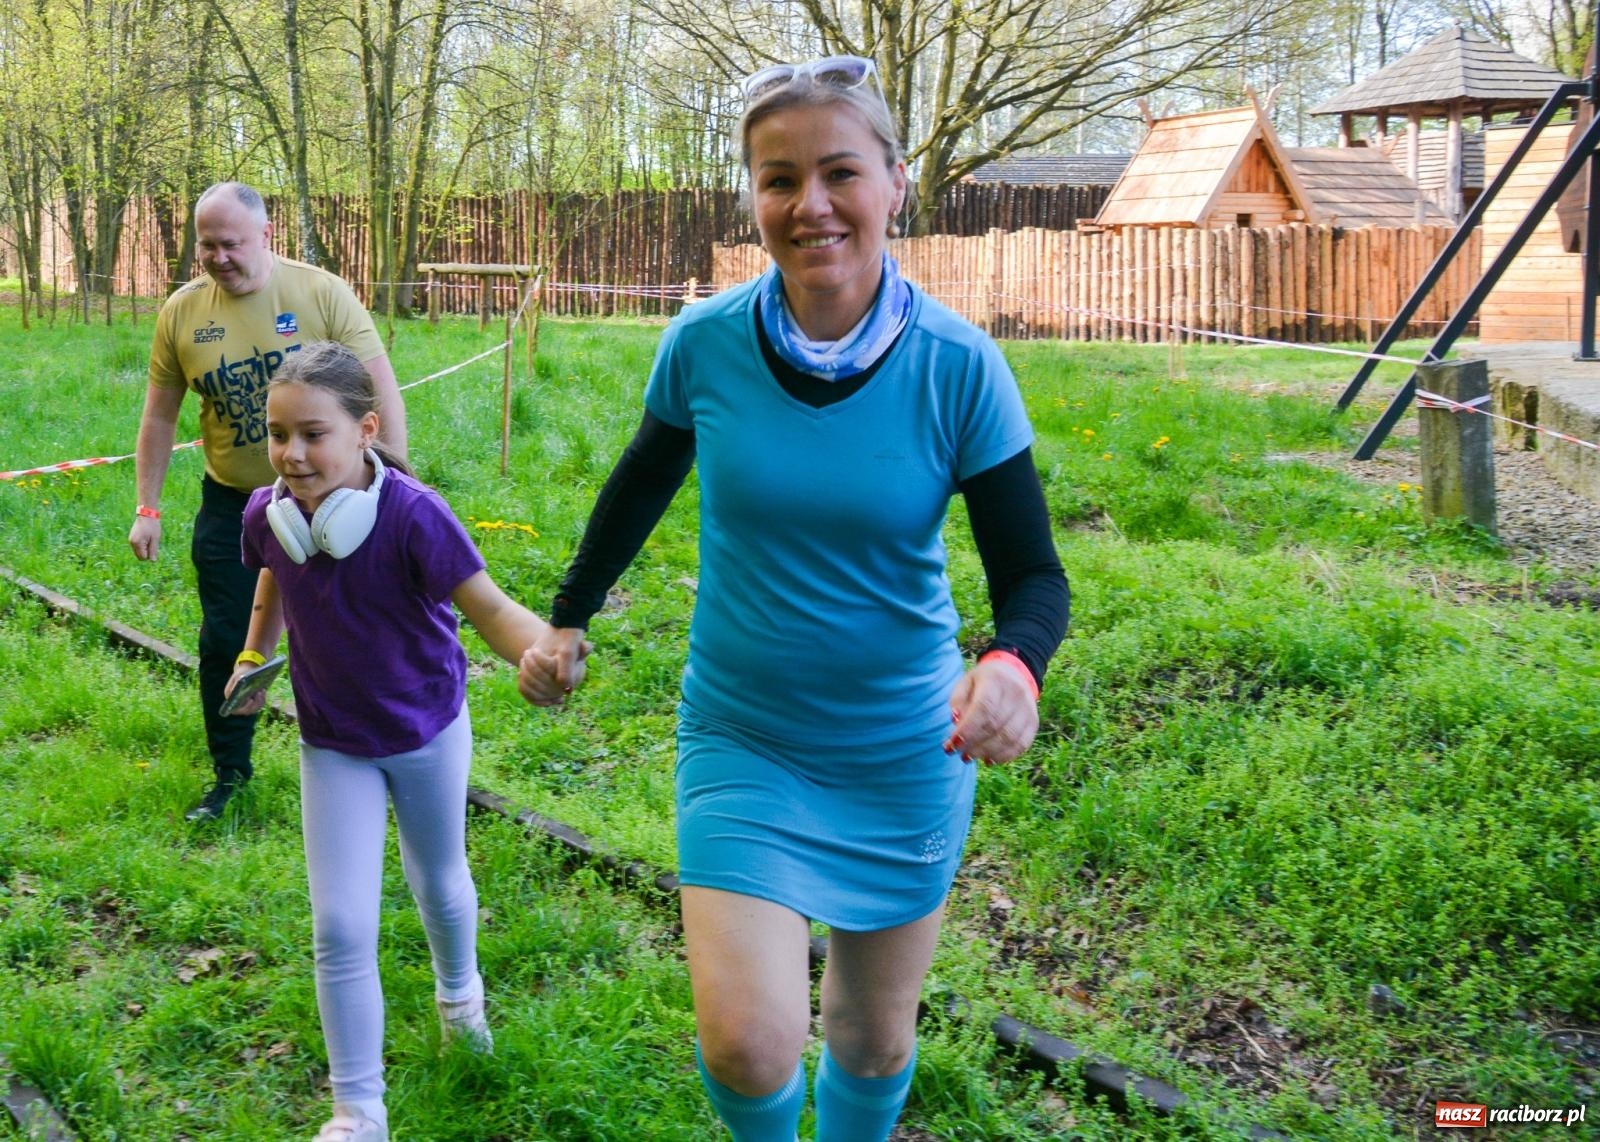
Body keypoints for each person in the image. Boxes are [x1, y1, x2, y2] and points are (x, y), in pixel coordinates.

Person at [519, 56, 1069, 1142]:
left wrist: (1013, 663)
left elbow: (1033, 575)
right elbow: (638, 484)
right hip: (744, 737)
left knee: (868, 1039)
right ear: (752, 199)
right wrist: (567, 612)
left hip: (904, 747)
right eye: (778, 180)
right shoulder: (705, 344)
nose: (809, 205)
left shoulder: (960, 365)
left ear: (894, 182)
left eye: (837, 172)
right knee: (748, 1040)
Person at [223, 341, 573, 1142]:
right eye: (279, 434)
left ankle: (460, 999)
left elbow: (489, 608)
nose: (292, 454)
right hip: (332, 740)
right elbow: (274, 571)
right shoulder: (266, 514)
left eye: (314, 433)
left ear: (366, 429)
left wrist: (539, 650)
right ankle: (359, 1110)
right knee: (340, 926)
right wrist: (253, 653)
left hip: (424, 731)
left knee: (439, 883)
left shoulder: (414, 515)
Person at [129, 182, 407, 822]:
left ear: (265, 237)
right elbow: (159, 419)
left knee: (348, 630)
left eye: (231, 243)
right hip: (233, 505)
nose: (219, 257)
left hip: (333, 500)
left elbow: (381, 393)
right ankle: (231, 772)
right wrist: (148, 506)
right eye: (206, 245)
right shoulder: (182, 312)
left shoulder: (320, 293)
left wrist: (392, 487)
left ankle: (370, 760)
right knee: (227, 638)